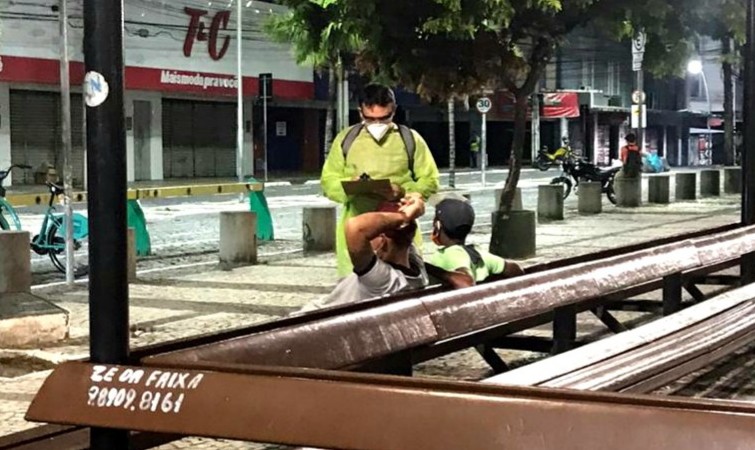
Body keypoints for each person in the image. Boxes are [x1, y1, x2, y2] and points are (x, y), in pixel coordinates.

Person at [321, 83, 440, 277]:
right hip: (357, 230)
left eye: (384, 118)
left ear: (393, 110)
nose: (377, 124)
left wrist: (402, 192)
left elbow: (430, 179)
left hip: (399, 233)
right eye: (370, 118)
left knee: (403, 287)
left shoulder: (410, 139)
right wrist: (351, 185)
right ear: (360, 112)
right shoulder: (346, 139)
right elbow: (328, 181)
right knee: (358, 291)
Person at [300, 197, 428, 311]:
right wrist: (414, 204)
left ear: (382, 241)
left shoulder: (384, 280)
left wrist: (404, 217)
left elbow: (356, 227)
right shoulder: (415, 267)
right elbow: (406, 233)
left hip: (314, 323)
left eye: (373, 235)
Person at [427, 197, 523, 288]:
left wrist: (428, 268)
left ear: (438, 225)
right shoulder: (477, 252)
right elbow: (514, 269)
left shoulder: (450, 254)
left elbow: (466, 282)